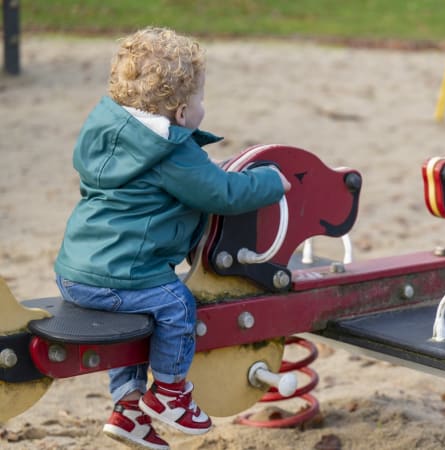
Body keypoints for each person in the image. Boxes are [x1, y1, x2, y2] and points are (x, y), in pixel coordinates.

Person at [54, 27, 291, 449]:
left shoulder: (111, 132)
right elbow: (223, 194)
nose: (203, 107)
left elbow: (188, 178)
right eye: (200, 99)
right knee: (176, 305)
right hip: (124, 275)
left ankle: (127, 410)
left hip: (75, 272)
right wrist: (272, 182)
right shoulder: (171, 152)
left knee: (134, 326)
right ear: (181, 114)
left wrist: (205, 166)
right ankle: (169, 393)